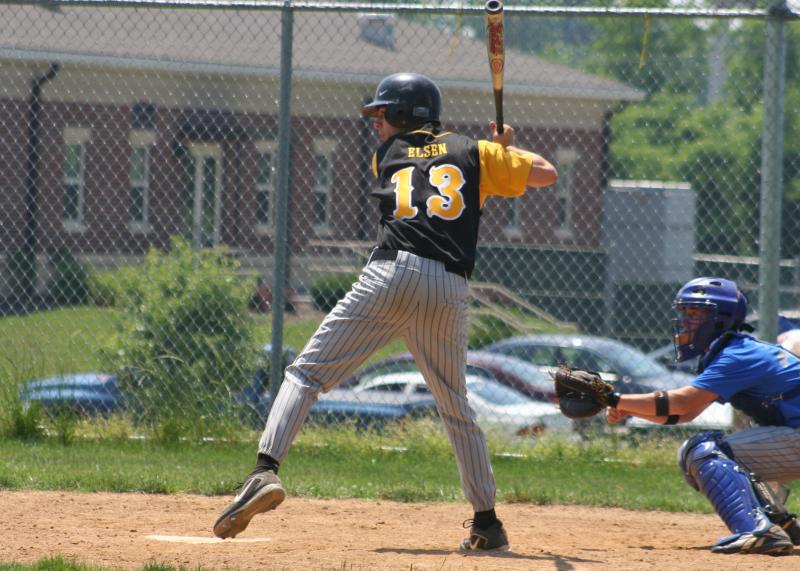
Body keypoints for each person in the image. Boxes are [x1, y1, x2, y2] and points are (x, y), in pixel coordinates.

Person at [212, 72, 558, 550]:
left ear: (402, 115)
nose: (376, 124)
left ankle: (264, 471)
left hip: (389, 276)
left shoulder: (385, 157)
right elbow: (546, 173)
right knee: (456, 408)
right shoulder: (474, 151)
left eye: (382, 114)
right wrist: (505, 150)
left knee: (306, 375)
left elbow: (424, 170)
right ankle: (487, 524)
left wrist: (492, 154)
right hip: (448, 286)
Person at [605, 277, 800, 556]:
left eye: (696, 313)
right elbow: (685, 413)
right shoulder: (734, 350)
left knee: (703, 451)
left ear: (721, 319)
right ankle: (780, 524)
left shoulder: (738, 354)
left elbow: (682, 402)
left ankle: (759, 531)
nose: (686, 321)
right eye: (685, 312)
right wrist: (628, 407)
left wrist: (612, 398)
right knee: (699, 453)